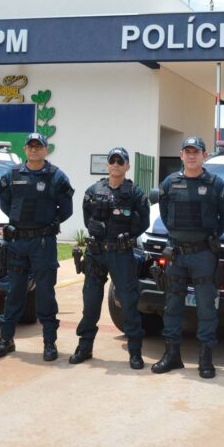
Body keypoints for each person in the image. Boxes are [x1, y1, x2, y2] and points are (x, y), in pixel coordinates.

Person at [151, 136, 224, 378]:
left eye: (196, 152)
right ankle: (171, 356)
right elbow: (165, 214)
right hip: (176, 254)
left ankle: (205, 359)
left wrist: (207, 237)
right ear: (181, 155)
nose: (191, 155)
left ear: (204, 155)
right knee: (172, 306)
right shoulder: (169, 183)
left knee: (206, 308)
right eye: (187, 151)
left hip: (203, 255)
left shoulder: (216, 184)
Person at [0, 132, 74, 362]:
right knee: (14, 292)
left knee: (46, 293)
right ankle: (6, 339)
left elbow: (66, 210)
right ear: (25, 150)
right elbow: (6, 204)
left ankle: (49, 343)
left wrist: (45, 224)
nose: (35, 149)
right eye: (31, 146)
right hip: (18, 242)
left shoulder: (56, 177)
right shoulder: (12, 174)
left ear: (46, 150)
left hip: (43, 243)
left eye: (39, 146)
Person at [69, 147, 151, 369]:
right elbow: (87, 218)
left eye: (120, 161)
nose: (115, 164)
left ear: (127, 166)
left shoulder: (135, 193)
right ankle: (84, 347)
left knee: (128, 303)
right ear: (108, 165)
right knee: (91, 302)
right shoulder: (93, 190)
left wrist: (126, 236)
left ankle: (135, 352)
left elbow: (143, 222)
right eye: (112, 161)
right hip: (96, 254)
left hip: (121, 254)